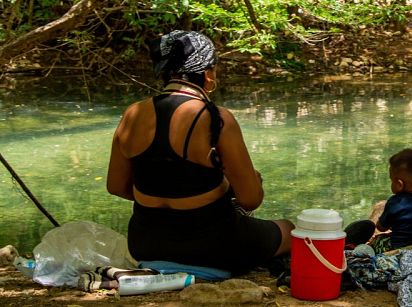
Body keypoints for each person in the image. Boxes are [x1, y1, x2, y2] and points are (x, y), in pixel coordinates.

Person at [106, 30, 294, 274]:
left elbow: (116, 186)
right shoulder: (216, 119)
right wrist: (224, 190)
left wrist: (166, 197)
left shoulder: (132, 114)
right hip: (213, 246)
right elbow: (251, 199)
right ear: (207, 74)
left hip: (146, 244)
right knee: (289, 230)